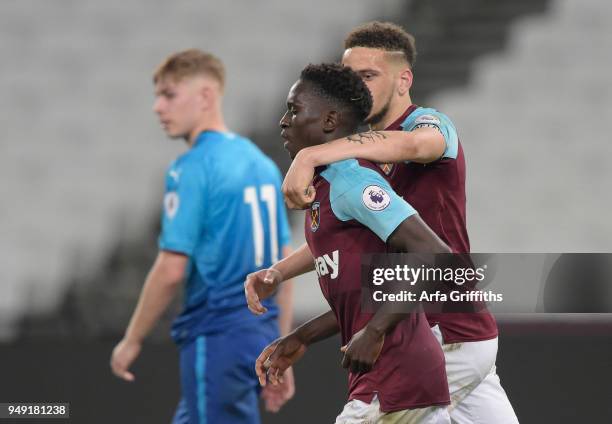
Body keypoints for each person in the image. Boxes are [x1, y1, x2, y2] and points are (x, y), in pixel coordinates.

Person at [247, 22, 518, 423]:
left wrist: (309, 156)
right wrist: (280, 272)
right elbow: (343, 233)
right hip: (427, 322)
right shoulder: (356, 163)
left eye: (369, 76)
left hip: (444, 327)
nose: (358, 86)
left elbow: (418, 146)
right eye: (350, 76)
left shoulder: (424, 123)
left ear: (404, 79)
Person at [259, 62, 452, 423]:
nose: (283, 121)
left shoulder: (353, 182)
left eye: (294, 110)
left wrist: (376, 330)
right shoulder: (326, 187)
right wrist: (301, 337)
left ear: (330, 121)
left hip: (395, 385)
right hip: (396, 384)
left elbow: (435, 253)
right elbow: (364, 295)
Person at [109, 49, 295, 424]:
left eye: (169, 94)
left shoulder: (191, 167)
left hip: (217, 335)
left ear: (206, 96)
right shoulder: (260, 162)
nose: (158, 107)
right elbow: (283, 260)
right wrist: (281, 344)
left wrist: (132, 340)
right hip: (257, 335)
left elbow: (171, 269)